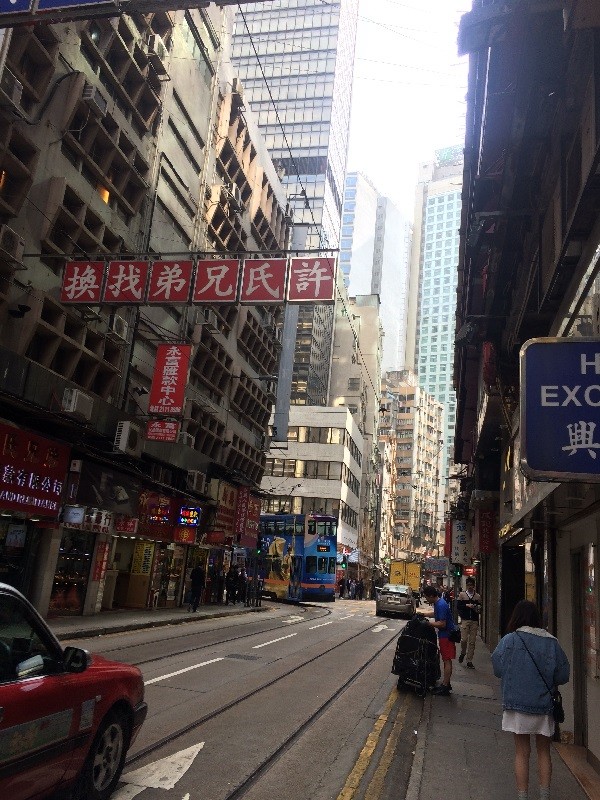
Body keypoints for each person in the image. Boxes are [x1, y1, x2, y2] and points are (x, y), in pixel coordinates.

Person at [492, 600, 569, 800]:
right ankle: (544, 796)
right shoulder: (552, 642)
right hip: (543, 706)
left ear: (516, 617)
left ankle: (523, 796)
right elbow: (563, 676)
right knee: (544, 752)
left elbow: (498, 669)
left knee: (521, 752)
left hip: (516, 705)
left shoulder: (509, 640)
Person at [422, 583, 458, 695]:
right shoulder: (439, 603)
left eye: (427, 597)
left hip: (446, 636)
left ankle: (445, 686)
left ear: (431, 596)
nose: (426, 599)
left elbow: (442, 624)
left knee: (447, 660)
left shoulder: (441, 604)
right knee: (446, 660)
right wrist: (423, 614)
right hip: (444, 636)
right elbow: (435, 614)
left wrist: (429, 624)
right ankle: (446, 683)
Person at [457, 576, 481, 668]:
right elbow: (459, 606)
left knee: (472, 642)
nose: (470, 587)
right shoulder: (462, 595)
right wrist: (467, 605)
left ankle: (469, 660)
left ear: (474, 586)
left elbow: (480, 608)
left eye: (472, 585)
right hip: (465, 620)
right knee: (464, 639)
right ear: (466, 585)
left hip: (474, 620)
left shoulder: (477, 596)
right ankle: (463, 652)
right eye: (468, 585)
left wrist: (475, 606)